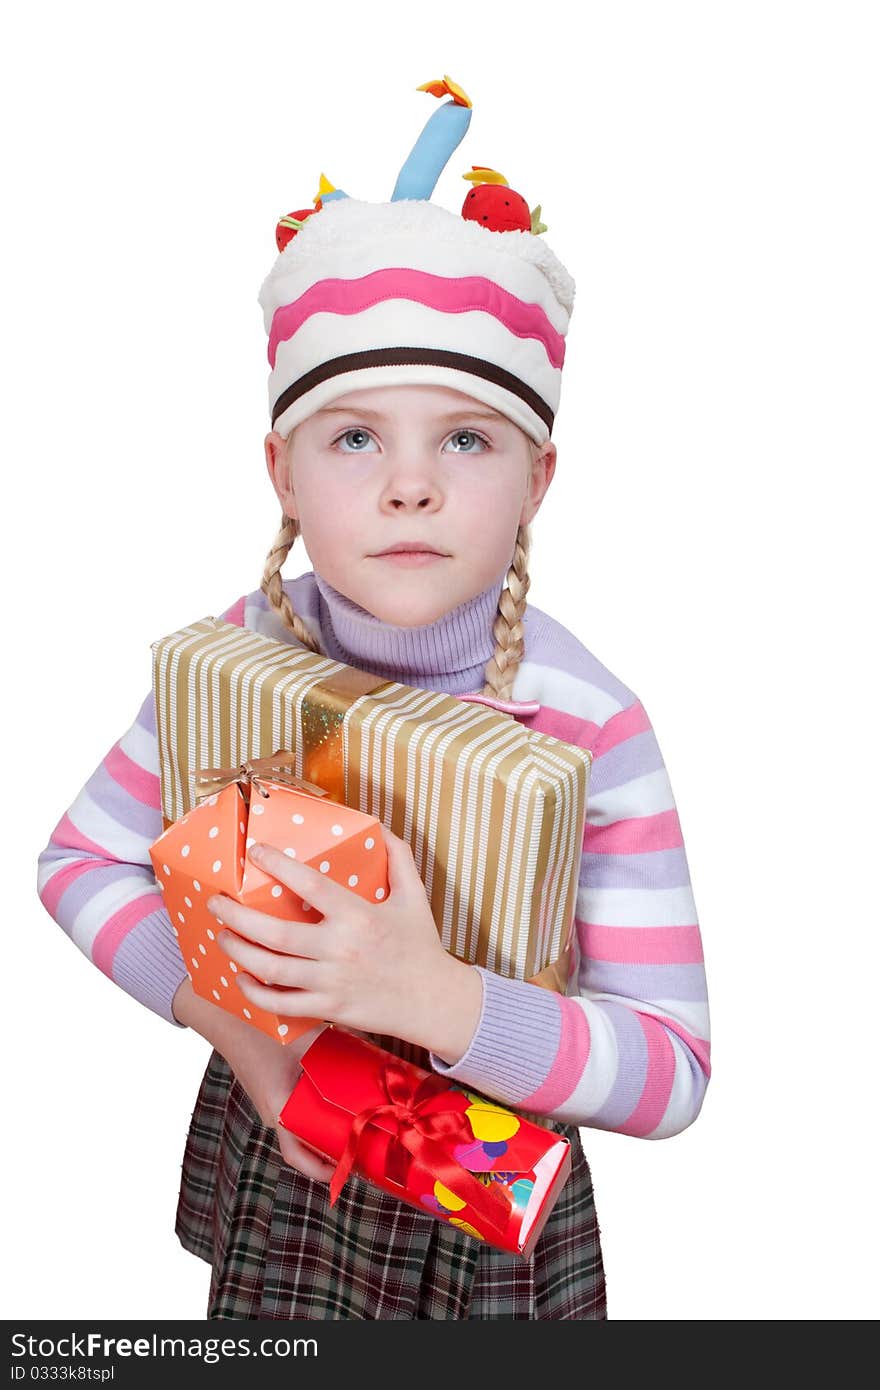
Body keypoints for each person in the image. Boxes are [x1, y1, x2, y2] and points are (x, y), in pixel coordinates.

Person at [36, 76, 710, 1320]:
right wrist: (246, 1040)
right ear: (281, 471)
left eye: (464, 438)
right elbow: (79, 863)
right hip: (287, 1131)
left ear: (537, 477)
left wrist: (428, 998)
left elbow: (671, 1070)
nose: (409, 485)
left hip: (480, 1195)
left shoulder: (587, 720)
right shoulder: (237, 651)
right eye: (354, 438)